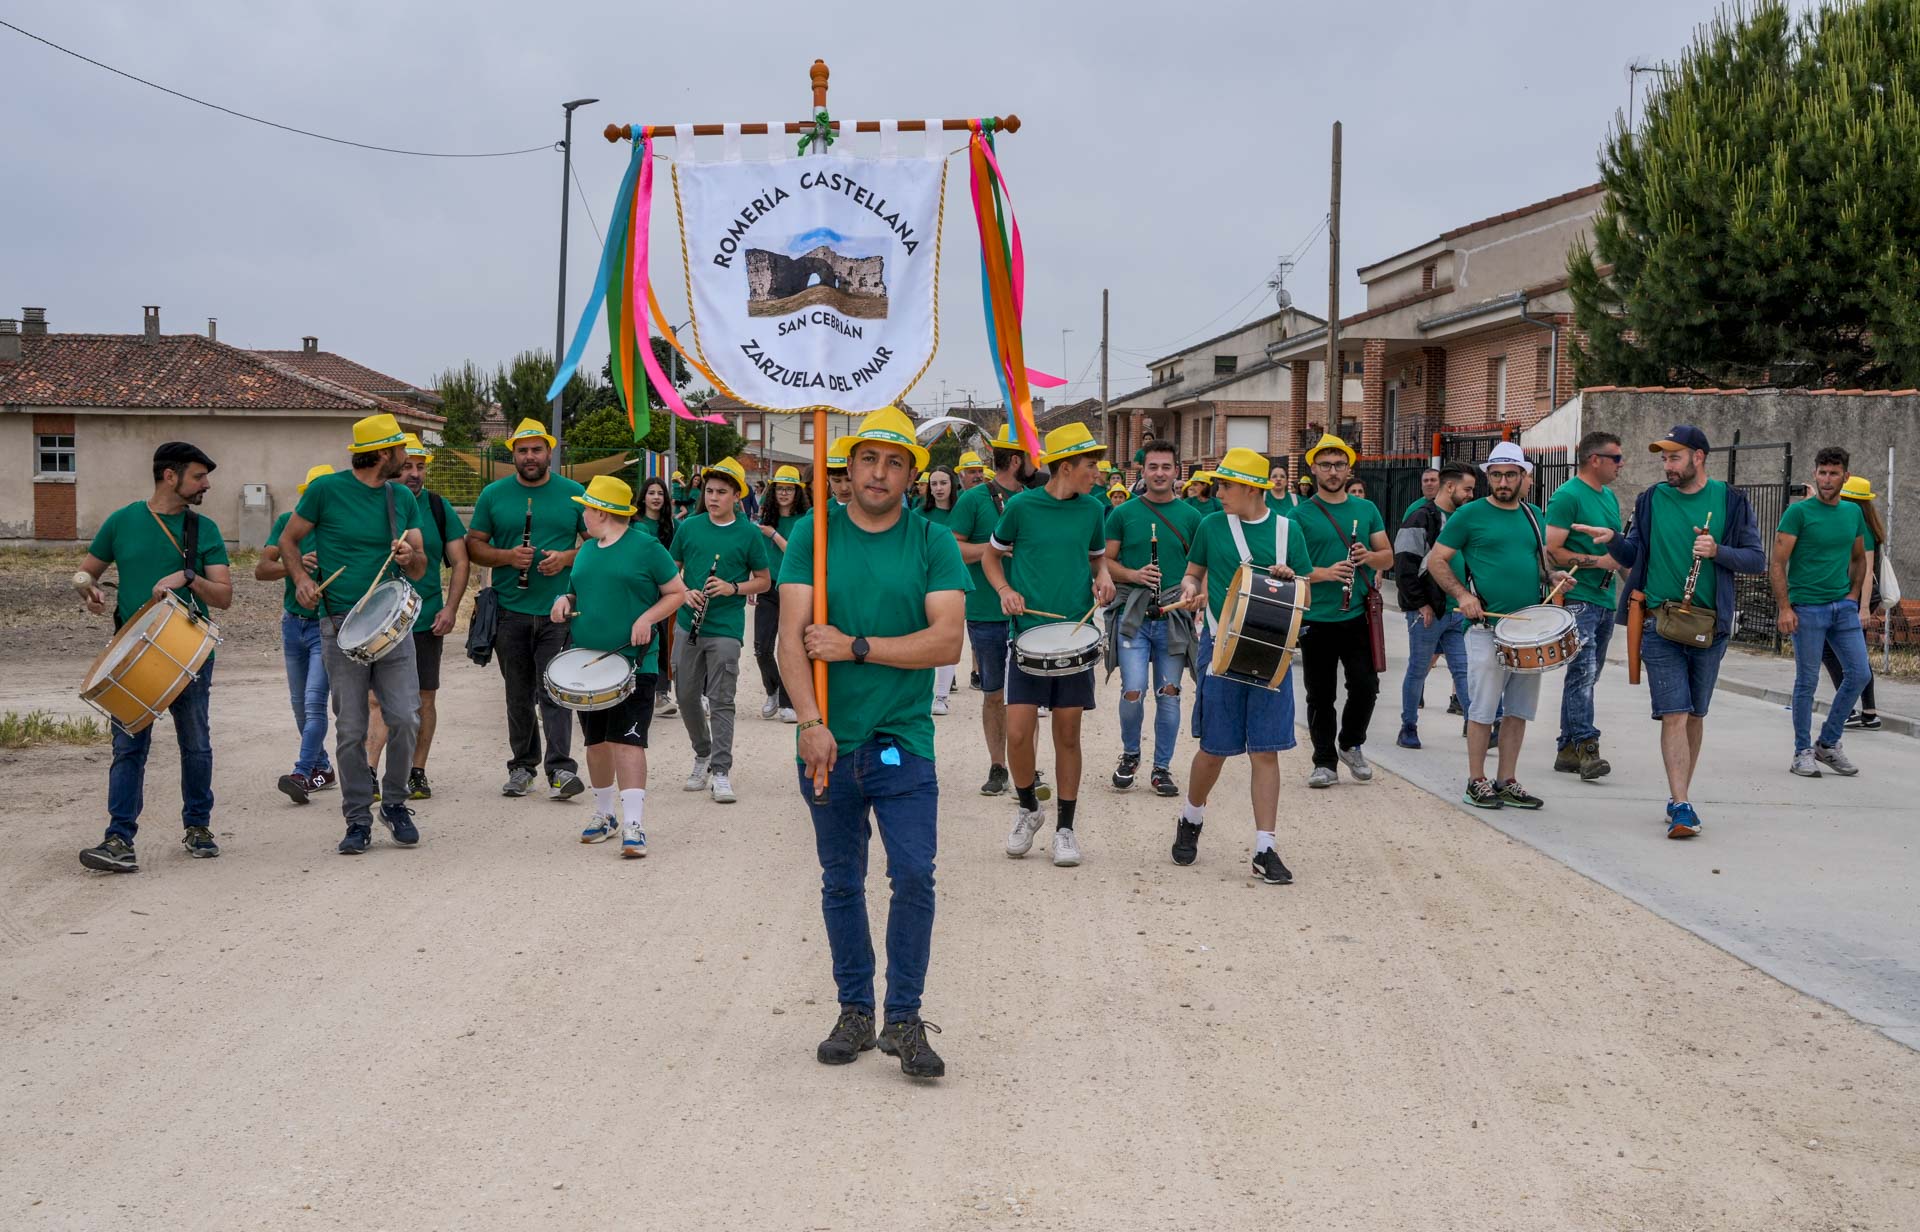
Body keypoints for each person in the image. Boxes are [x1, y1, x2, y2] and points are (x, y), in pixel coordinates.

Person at [778, 406, 967, 1080]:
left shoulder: (932, 543)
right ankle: (854, 1010)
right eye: (868, 459)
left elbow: (946, 641)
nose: (879, 472)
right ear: (848, 467)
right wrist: (808, 722)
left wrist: (856, 648)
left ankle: (904, 1018)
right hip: (828, 741)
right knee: (841, 880)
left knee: (913, 873)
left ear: (912, 474)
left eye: (894, 462)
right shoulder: (813, 534)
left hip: (900, 742)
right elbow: (790, 637)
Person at [1592, 425, 1766, 839]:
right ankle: (1683, 804)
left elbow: (1756, 560)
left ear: (1698, 457)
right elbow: (1635, 554)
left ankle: (1678, 795)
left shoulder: (1732, 501)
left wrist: (1717, 551)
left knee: (1695, 714)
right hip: (1658, 622)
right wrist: (1613, 541)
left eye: (1674, 457)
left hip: (1709, 625)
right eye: (1664, 458)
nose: (1666, 465)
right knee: (1674, 712)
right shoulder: (1652, 499)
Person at [75, 441, 234, 873]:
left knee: (195, 744)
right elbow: (88, 569)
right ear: (170, 476)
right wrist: (85, 586)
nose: (207, 484)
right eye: (199, 476)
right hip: (131, 653)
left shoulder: (204, 531)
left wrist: (188, 577)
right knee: (128, 747)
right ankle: (118, 838)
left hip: (188, 649)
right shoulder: (123, 521)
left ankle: (198, 826)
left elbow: (224, 597)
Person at [278, 413, 429, 854]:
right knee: (351, 728)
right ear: (383, 453)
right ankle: (358, 817)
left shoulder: (400, 497)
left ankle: (395, 803)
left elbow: (421, 563)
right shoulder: (326, 491)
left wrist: (409, 557)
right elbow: (289, 541)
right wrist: (302, 581)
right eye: (401, 450)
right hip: (340, 623)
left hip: (391, 623)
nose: (407, 457)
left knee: (404, 716)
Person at [1168, 447, 1316, 883]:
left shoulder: (1289, 530)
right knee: (1214, 749)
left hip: (1274, 651)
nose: (1219, 492)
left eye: (1226, 485)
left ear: (1253, 489)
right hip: (1222, 645)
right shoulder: (1212, 525)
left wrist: (1292, 577)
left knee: (1265, 750)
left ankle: (1264, 848)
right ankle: (1191, 817)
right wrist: (1192, 587)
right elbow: (1193, 573)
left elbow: (1306, 591)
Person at [985, 421, 1116, 868]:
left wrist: (1102, 576)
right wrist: (1004, 590)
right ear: (1064, 466)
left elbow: (1097, 557)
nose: (1097, 472)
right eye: (1090, 464)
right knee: (1018, 734)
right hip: (1027, 636)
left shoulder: (1093, 510)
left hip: (1074, 637)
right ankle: (1028, 808)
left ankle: (1065, 828)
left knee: (1067, 735)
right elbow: (990, 556)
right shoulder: (1021, 507)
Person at [1424, 442, 1573, 810]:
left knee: (1519, 710)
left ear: (1524, 476)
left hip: (1529, 629)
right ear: (1486, 476)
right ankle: (1476, 780)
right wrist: (1462, 595)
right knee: (1483, 709)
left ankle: (1507, 779)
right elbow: (1436, 560)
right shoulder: (1470, 515)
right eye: (1495, 475)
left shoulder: (1532, 515)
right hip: (1485, 627)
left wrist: (1554, 575)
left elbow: (1538, 565)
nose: (1503, 481)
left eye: (1510, 474)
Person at [551, 476, 687, 855]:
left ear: (601, 511)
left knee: (627, 742)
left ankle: (634, 824)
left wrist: (647, 619)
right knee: (596, 745)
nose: (583, 514)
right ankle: (604, 814)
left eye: (586, 508)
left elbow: (676, 592)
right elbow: (582, 589)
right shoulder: (589, 549)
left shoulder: (647, 547)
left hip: (633, 664)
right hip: (588, 665)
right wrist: (565, 599)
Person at [466, 419, 588, 800]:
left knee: (554, 690)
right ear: (513, 454)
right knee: (517, 694)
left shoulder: (573, 493)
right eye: (523, 450)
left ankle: (560, 770)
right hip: (509, 610)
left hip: (558, 610)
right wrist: (507, 557)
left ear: (549, 452)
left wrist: (567, 557)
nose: (530, 456)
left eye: (537, 449)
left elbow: (597, 543)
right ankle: (522, 766)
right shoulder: (493, 494)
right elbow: (473, 545)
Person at [365, 434, 469, 800]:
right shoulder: (373, 501)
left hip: (424, 619)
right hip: (377, 621)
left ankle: (417, 771)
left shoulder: (439, 507)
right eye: (407, 466)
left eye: (420, 467)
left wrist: (451, 608)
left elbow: (460, 561)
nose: (413, 473)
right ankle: (370, 771)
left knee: (424, 698)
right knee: (377, 700)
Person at [1289, 433, 1392, 788]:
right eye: (1326, 465)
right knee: (1320, 694)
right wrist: (1325, 574)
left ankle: (1350, 743)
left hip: (1356, 616)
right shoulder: (1298, 515)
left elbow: (1387, 555)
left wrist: (1369, 557)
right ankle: (1324, 762)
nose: (1333, 471)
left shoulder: (1366, 510)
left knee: (1366, 686)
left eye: (1339, 465)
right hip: (1316, 617)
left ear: (1349, 469)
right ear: (1314, 469)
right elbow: (1289, 567)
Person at [1103, 436, 1203, 796]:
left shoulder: (1193, 517)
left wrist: (1195, 594)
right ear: (1142, 471)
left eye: (1166, 467)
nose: (1159, 473)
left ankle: (1162, 768)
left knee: (1170, 693)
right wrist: (1133, 575)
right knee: (1133, 690)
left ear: (1178, 471)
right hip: (1133, 616)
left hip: (1173, 619)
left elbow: (1200, 568)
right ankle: (1131, 755)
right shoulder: (1122, 513)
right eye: (1153, 467)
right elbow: (1103, 562)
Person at [671, 455, 772, 803]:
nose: (713, 497)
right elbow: (672, 570)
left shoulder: (748, 533)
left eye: (722, 492)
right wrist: (685, 593)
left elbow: (763, 580)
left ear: (736, 496)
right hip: (689, 624)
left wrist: (733, 588)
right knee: (684, 695)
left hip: (726, 627)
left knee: (721, 699)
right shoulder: (689, 527)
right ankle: (702, 752)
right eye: (710, 491)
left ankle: (721, 770)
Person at [1773, 446, 1870, 778]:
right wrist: (1785, 607)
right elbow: (1777, 562)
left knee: (1860, 673)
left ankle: (1827, 743)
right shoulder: (1798, 513)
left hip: (1841, 607)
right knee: (1807, 682)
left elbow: (1859, 557)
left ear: (1845, 475)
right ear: (1815, 473)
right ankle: (1802, 751)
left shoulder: (1852, 514)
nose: (1827, 479)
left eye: (1834, 473)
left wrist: (1853, 596)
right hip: (1807, 608)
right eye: (1822, 472)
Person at [949, 421, 1033, 795]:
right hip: (985, 610)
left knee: (1028, 697)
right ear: (1016, 461)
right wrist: (995, 551)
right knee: (994, 694)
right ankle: (998, 766)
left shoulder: (1036, 499)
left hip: (1031, 613)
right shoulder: (973, 499)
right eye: (1031, 456)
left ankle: (1027, 768)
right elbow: (952, 548)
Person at [1544, 432, 1625, 780]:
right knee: (1583, 673)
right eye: (1617, 458)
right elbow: (1553, 550)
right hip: (1579, 598)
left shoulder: (1609, 498)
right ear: (1596, 459)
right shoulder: (1567, 496)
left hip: (1605, 600)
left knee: (1588, 676)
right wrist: (1598, 562)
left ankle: (1567, 748)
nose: (1621, 465)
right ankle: (1587, 747)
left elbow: (1617, 554)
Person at [260, 464, 338, 804]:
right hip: (293, 623)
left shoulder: (341, 528)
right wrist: (293, 567)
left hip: (326, 625)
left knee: (314, 702)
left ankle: (302, 772)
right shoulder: (287, 524)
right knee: (298, 707)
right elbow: (262, 570)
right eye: (311, 495)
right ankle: (323, 768)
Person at [1392, 463, 1477, 749]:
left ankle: (1475, 725)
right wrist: (1420, 604)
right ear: (1450, 487)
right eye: (1467, 489)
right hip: (1427, 612)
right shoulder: (1420, 518)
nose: (1471, 495)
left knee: (1463, 670)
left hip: (1456, 611)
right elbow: (1404, 564)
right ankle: (1408, 726)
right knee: (1418, 669)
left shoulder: (1464, 519)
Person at [1829, 476, 1887, 730]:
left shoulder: (1859, 525)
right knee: (1857, 654)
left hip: (1856, 598)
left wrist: (1862, 608)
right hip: (1855, 597)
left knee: (1831, 651)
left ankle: (1850, 709)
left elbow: (1864, 571)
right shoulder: (1862, 522)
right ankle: (1869, 712)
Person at [755, 465, 808, 724]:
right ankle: (773, 691)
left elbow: (797, 554)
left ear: (797, 492)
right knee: (761, 648)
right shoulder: (765, 519)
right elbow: (757, 556)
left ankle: (789, 702)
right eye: (780, 489)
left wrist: (774, 534)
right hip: (767, 587)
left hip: (793, 589)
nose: (784, 493)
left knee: (789, 646)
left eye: (789, 489)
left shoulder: (804, 520)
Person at [919, 465, 964, 715]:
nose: (938, 488)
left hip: (955, 583)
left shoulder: (963, 515)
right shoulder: (919, 514)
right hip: (924, 583)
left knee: (948, 636)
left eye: (943, 483)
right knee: (924, 638)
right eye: (933, 483)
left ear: (953, 484)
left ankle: (942, 696)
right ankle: (923, 692)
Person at [635, 476, 679, 715]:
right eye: (651, 492)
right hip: (639, 592)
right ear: (643, 497)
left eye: (660, 493)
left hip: (665, 594)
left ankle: (661, 694)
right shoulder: (635, 525)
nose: (656, 497)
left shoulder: (673, 526)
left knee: (662, 641)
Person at [825, 437, 854, 506]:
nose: (844, 488)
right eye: (837, 481)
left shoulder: (879, 511)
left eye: (849, 480)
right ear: (827, 478)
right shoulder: (818, 513)